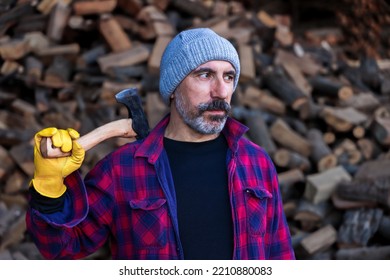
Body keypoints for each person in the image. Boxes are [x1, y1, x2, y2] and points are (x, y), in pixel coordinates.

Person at [26, 27, 295, 260]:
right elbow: (62, 249)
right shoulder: (122, 170)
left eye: (228, 77)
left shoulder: (256, 163)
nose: (221, 91)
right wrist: (48, 189)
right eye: (205, 75)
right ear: (173, 87)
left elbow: (280, 256)